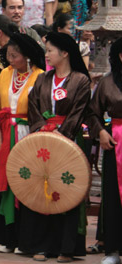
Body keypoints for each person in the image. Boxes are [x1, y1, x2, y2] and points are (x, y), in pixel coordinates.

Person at [22, 32, 91, 263]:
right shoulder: (43, 79)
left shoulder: (81, 80)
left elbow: (78, 111)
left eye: (50, 50)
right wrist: (42, 128)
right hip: (43, 139)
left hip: (68, 141)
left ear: (64, 53)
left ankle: (66, 247)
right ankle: (41, 245)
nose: (47, 54)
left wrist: (62, 135)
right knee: (42, 186)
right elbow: (32, 105)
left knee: (67, 189)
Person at [0, 33, 45, 254]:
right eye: (9, 55)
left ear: (28, 56)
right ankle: (7, 237)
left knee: (26, 182)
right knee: (6, 182)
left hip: (27, 133)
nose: (11, 60)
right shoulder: (4, 74)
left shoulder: (40, 76)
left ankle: (26, 238)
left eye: (16, 55)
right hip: (5, 132)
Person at [86, 38, 122, 264]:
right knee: (112, 196)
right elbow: (93, 113)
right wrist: (100, 132)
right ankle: (113, 250)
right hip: (115, 142)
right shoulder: (107, 83)